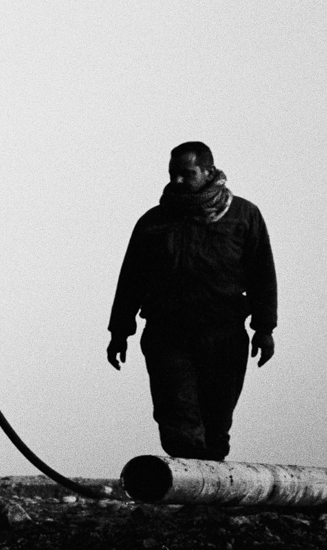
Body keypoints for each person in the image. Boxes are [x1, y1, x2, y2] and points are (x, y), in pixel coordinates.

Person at [107, 141, 278, 461]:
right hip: (167, 336)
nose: (177, 180)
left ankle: (208, 485)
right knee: (178, 420)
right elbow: (131, 280)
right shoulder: (153, 222)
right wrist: (119, 332)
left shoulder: (244, 216)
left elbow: (262, 275)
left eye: (186, 173)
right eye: (173, 174)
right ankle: (188, 477)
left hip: (223, 336)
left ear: (209, 172)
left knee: (216, 423)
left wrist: (264, 329)